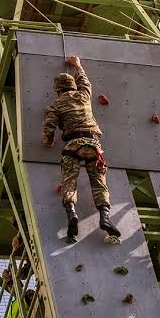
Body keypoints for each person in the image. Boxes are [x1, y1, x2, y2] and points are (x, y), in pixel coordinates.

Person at [41, 55, 120, 240]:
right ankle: (105, 218)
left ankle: (72, 214)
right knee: (99, 183)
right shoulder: (84, 95)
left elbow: (49, 125)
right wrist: (77, 65)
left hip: (72, 146)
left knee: (69, 182)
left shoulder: (56, 104)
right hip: (93, 145)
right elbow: (84, 80)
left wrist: (48, 140)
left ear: (57, 89)